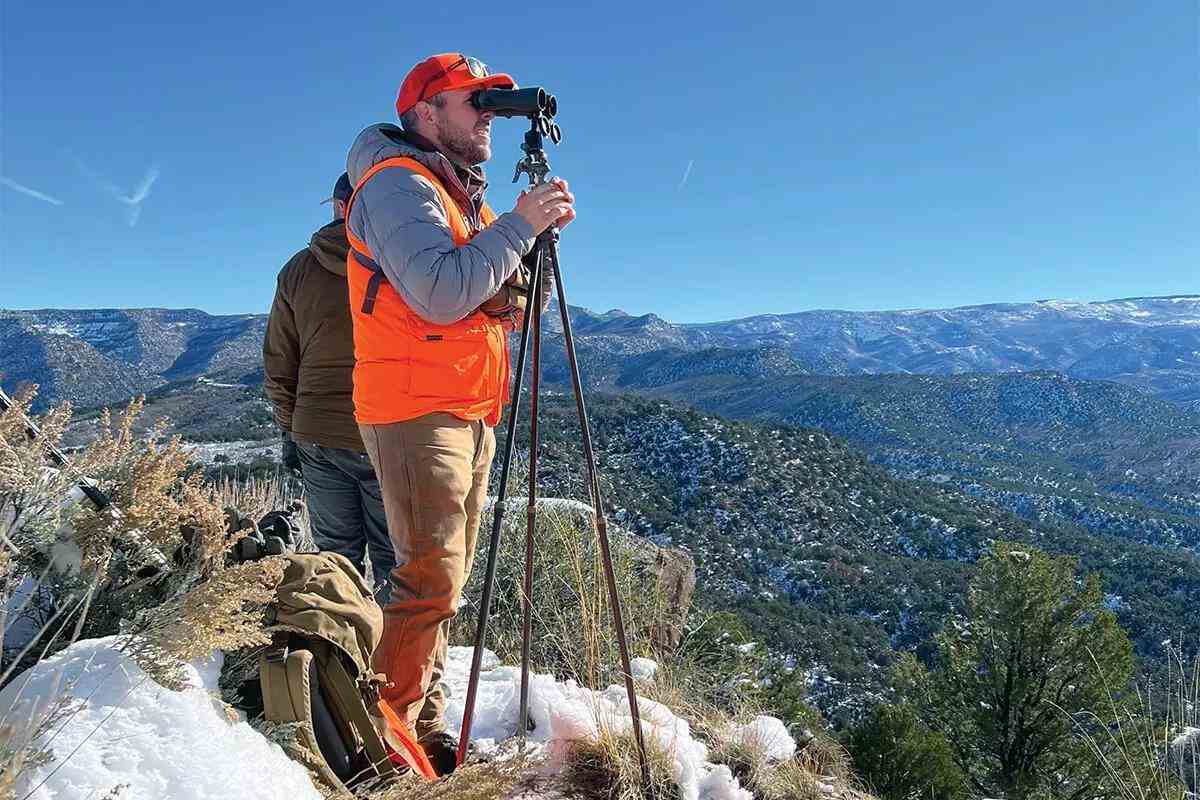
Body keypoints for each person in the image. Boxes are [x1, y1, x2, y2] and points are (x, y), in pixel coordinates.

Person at [342, 52, 574, 773]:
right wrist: (519, 226)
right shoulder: (397, 186)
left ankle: (425, 722)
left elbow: (469, 296)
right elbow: (440, 293)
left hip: (464, 404)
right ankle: (384, 744)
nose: (487, 115)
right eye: (471, 100)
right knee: (428, 580)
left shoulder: (450, 190)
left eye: (491, 103)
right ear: (424, 113)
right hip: (418, 408)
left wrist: (517, 250)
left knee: (443, 582)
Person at [263, 173, 396, 605]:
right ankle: (399, 663)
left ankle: (342, 655)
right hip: (389, 430)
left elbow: (280, 365)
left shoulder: (298, 270)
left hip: (318, 433)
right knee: (399, 563)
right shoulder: (401, 260)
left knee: (336, 563)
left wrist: (292, 430)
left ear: (339, 207)